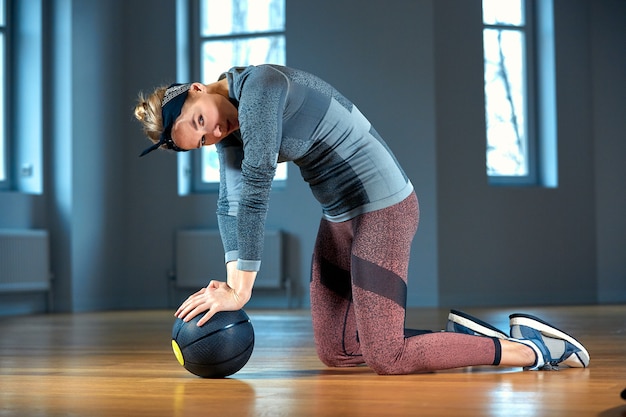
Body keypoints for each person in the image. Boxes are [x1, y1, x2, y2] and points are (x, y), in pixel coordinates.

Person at [134, 64, 589, 374]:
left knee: (386, 356)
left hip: (384, 210)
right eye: (202, 139)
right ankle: (464, 340)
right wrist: (229, 283)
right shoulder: (231, 133)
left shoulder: (261, 87)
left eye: (200, 121)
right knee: (338, 351)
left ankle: (535, 350)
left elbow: (255, 184)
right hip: (341, 218)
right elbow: (229, 205)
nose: (213, 133)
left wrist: (242, 290)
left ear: (197, 89)